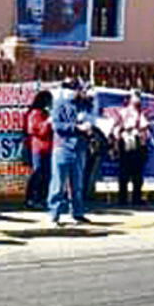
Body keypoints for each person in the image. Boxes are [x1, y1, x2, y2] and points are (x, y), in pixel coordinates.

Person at [49, 80, 93, 226]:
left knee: (77, 184)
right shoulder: (59, 104)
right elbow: (57, 126)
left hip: (79, 148)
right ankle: (54, 215)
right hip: (63, 148)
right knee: (58, 184)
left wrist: (88, 128)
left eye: (74, 89)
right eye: (69, 89)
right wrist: (76, 128)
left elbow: (90, 116)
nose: (71, 92)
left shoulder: (83, 104)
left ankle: (77, 213)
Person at [112, 89, 150, 206]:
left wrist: (142, 134)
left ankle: (136, 198)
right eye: (135, 97)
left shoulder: (141, 113)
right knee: (124, 173)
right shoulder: (122, 112)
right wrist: (120, 136)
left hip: (138, 145)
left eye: (139, 97)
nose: (137, 99)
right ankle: (122, 199)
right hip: (125, 144)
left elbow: (146, 128)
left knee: (137, 174)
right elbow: (115, 128)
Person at [24, 90, 53, 210]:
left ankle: (42, 198)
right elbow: (35, 131)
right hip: (38, 148)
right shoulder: (34, 113)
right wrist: (47, 123)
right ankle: (31, 198)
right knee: (37, 173)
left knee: (47, 175)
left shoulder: (45, 113)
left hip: (48, 148)